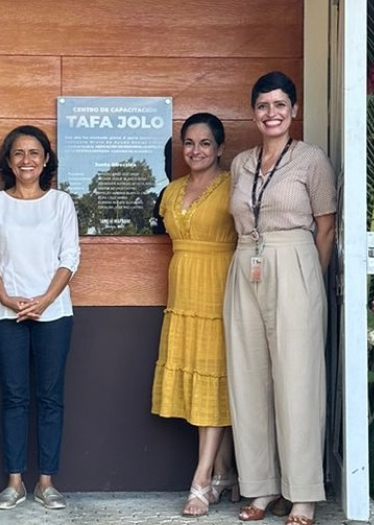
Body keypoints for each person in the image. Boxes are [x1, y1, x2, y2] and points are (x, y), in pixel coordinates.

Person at [224, 71, 336, 525]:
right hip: (244, 260)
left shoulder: (311, 160)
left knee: (297, 379)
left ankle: (303, 493)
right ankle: (262, 486)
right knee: (249, 377)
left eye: (279, 105)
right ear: (254, 113)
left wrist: (312, 279)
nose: (271, 113)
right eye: (263, 106)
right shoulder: (242, 163)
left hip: (295, 261)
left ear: (294, 111)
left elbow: (325, 226)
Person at [0, 125, 80, 511]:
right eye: (18, 153)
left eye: (34, 152)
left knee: (51, 399)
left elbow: (69, 257)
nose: (26, 160)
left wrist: (43, 300)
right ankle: (15, 483)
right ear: (7, 160)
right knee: (14, 397)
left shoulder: (61, 203)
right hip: (4, 314)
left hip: (54, 312)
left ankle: (47, 483)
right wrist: (6, 297)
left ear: (46, 159)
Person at [150, 113, 238, 517]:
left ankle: (201, 480)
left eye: (205, 143)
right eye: (189, 142)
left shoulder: (234, 186)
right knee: (197, 384)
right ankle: (223, 472)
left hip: (220, 295)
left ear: (220, 147)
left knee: (214, 383)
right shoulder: (171, 191)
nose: (196, 150)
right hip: (183, 297)